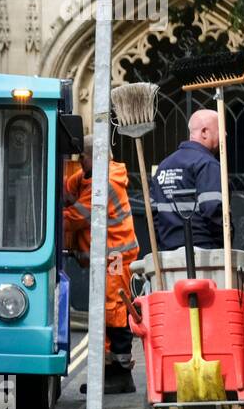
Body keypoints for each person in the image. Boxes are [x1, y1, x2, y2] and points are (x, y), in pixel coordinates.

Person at [63, 135, 140, 394]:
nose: (78, 163)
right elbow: (68, 188)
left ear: (90, 158)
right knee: (105, 313)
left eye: (81, 158)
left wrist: (47, 217)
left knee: (115, 311)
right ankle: (107, 371)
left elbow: (77, 218)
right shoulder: (90, 177)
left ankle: (120, 374)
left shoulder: (105, 184)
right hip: (106, 258)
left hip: (115, 258)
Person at [149, 108, 225, 251]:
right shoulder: (207, 164)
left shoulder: (163, 166)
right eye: (221, 129)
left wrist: (164, 245)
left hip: (169, 257)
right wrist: (223, 243)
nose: (225, 134)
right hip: (205, 255)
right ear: (204, 132)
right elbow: (213, 209)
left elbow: (153, 214)